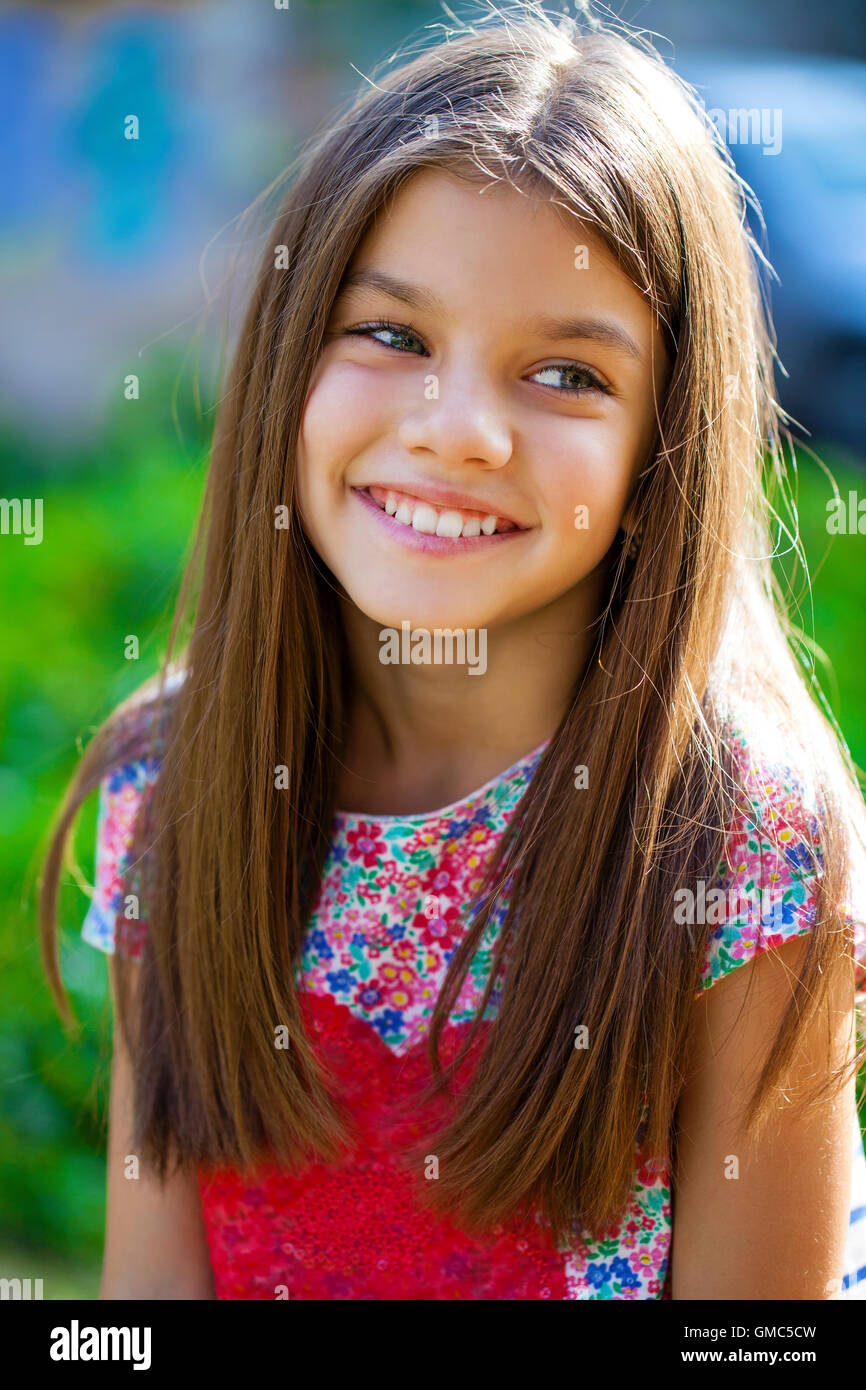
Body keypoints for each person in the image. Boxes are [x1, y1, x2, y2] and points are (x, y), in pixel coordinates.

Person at [40, 4, 866, 1299]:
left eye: (567, 374)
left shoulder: (742, 840)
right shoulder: (178, 783)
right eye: (392, 336)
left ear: (663, 456)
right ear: (285, 365)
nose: (460, 430)